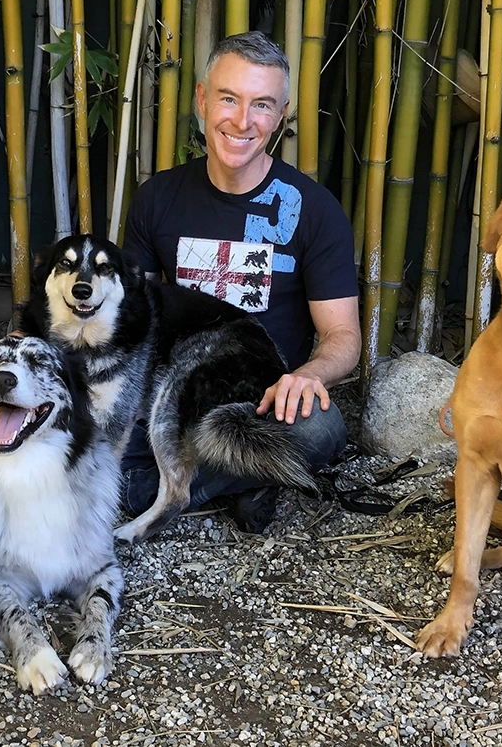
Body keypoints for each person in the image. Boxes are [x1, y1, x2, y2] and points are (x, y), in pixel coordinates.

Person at [122, 30, 361, 532]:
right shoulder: (156, 199)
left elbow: (343, 338)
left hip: (258, 402)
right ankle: (251, 475)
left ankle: (175, 485)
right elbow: (128, 317)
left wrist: (309, 376)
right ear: (203, 99)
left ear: (281, 115)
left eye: (262, 105)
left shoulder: (315, 210)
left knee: (322, 429)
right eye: (229, 98)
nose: (242, 120)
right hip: (172, 397)